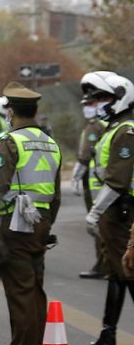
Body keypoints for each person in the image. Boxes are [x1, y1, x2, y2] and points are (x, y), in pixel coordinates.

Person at [0, 82, 61, 345]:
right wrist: (45, 224)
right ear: (36, 111)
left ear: (11, 111)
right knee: (35, 295)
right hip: (40, 224)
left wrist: (4, 203)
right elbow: (54, 196)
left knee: (21, 298)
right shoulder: (51, 143)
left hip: (15, 227)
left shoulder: (10, 142)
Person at [81, 71, 134, 345]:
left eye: (103, 97)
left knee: (127, 272)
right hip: (117, 211)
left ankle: (108, 334)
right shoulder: (114, 127)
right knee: (117, 272)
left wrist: (95, 212)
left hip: (122, 210)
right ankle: (108, 334)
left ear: (121, 98)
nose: (97, 103)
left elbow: (117, 179)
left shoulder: (126, 130)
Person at [72, 92, 108, 278]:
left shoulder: (95, 126)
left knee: (98, 223)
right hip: (104, 182)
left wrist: (77, 174)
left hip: (96, 183)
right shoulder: (107, 123)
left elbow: (85, 155)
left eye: (90, 103)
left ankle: (104, 266)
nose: (87, 107)